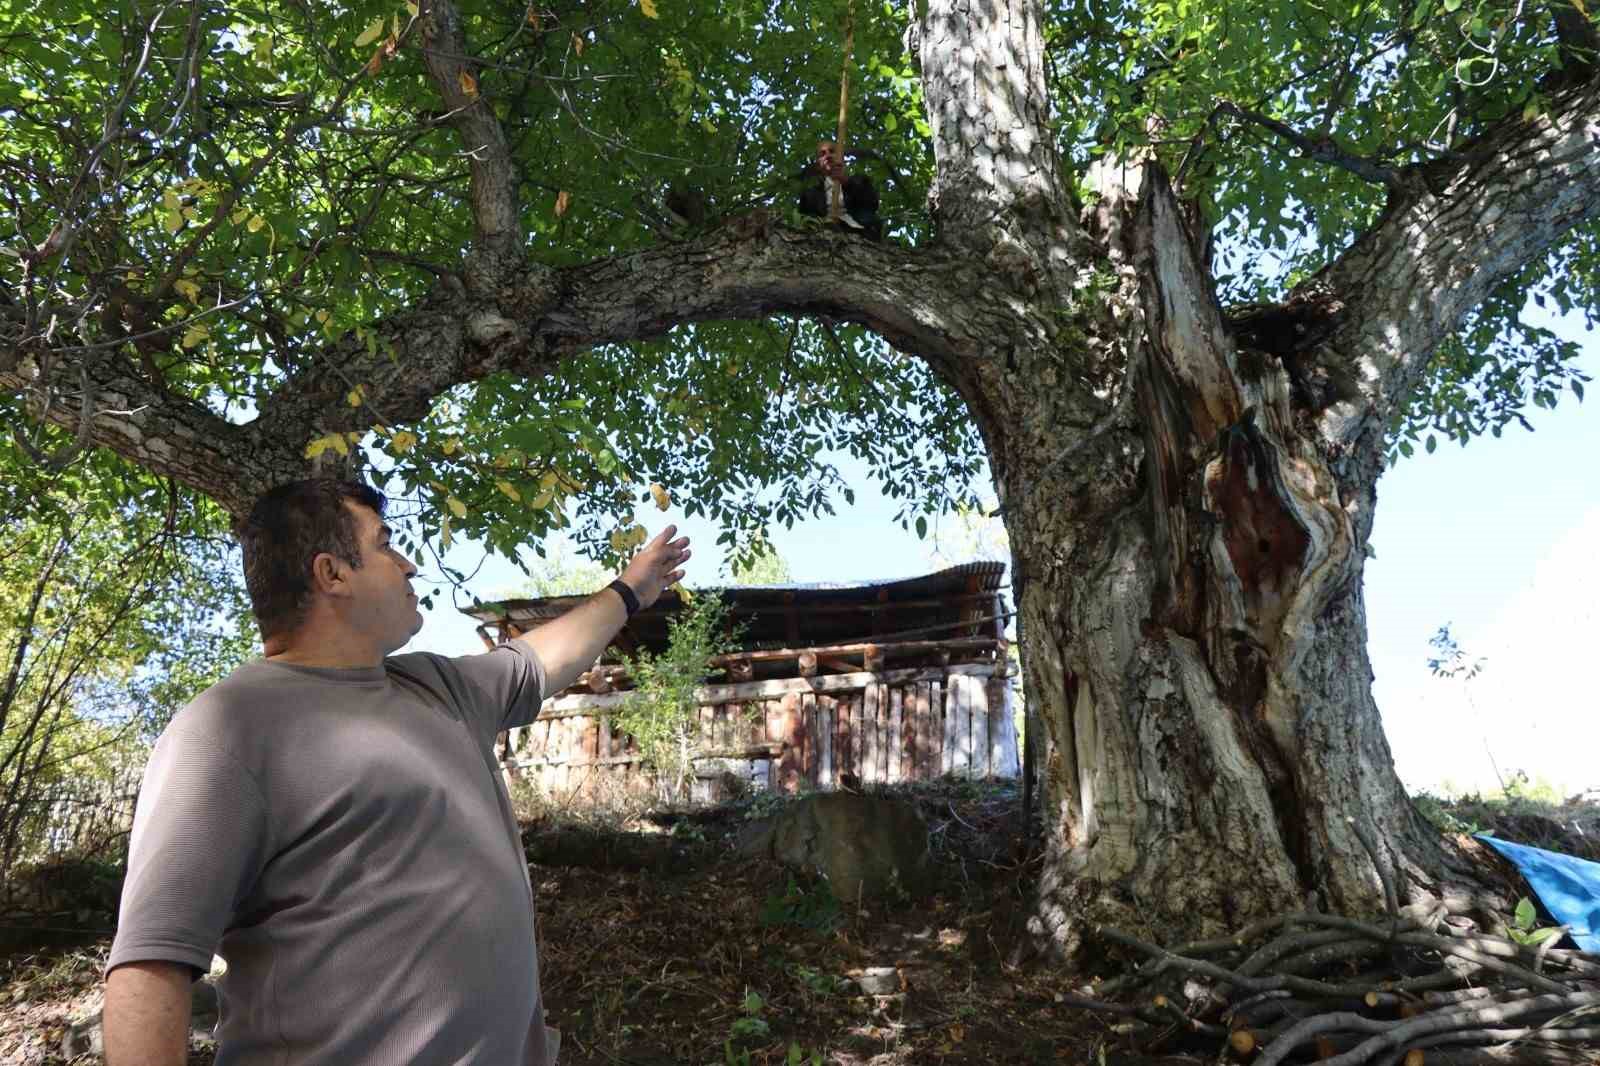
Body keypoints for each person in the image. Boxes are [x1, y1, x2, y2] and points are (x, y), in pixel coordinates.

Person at [102, 478, 690, 1066]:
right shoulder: (228, 729)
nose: (409, 564)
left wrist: (631, 589)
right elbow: (150, 966)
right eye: (385, 544)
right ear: (332, 574)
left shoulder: (438, 687)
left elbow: (542, 659)